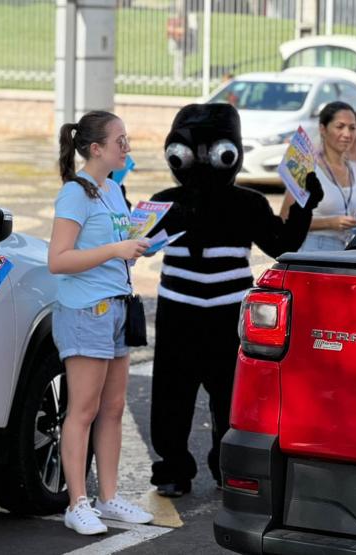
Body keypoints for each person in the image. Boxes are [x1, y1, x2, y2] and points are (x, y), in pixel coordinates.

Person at [148, 103, 322, 497]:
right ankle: (174, 467)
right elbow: (137, 244)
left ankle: (225, 467)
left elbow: (282, 244)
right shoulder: (165, 201)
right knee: (172, 395)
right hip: (178, 311)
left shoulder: (248, 203)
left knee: (229, 396)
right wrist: (123, 213)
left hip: (227, 312)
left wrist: (304, 205)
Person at [48, 110, 154, 535]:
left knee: (111, 409)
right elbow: (59, 260)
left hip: (116, 307)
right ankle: (77, 502)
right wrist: (116, 249)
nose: (126, 148)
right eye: (120, 141)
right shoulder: (75, 193)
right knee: (84, 409)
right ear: (96, 149)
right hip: (85, 310)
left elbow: (114, 246)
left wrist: (135, 246)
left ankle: (108, 499)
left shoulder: (113, 189)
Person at [282, 101, 356, 252]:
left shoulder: (355, 169)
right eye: (340, 127)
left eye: (352, 128)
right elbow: (285, 218)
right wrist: (329, 223)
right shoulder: (307, 167)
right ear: (323, 129)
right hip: (312, 249)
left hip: (345, 251)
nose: (347, 134)